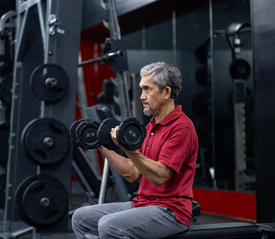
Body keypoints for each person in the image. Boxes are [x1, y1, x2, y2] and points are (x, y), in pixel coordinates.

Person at [71, 62, 199, 239]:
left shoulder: (181, 128)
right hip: (143, 204)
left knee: (108, 225)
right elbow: (132, 173)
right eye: (141, 90)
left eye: (147, 89)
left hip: (171, 212)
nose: (142, 96)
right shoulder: (151, 127)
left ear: (167, 92)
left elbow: (160, 176)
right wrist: (99, 144)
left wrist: (127, 148)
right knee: (80, 218)